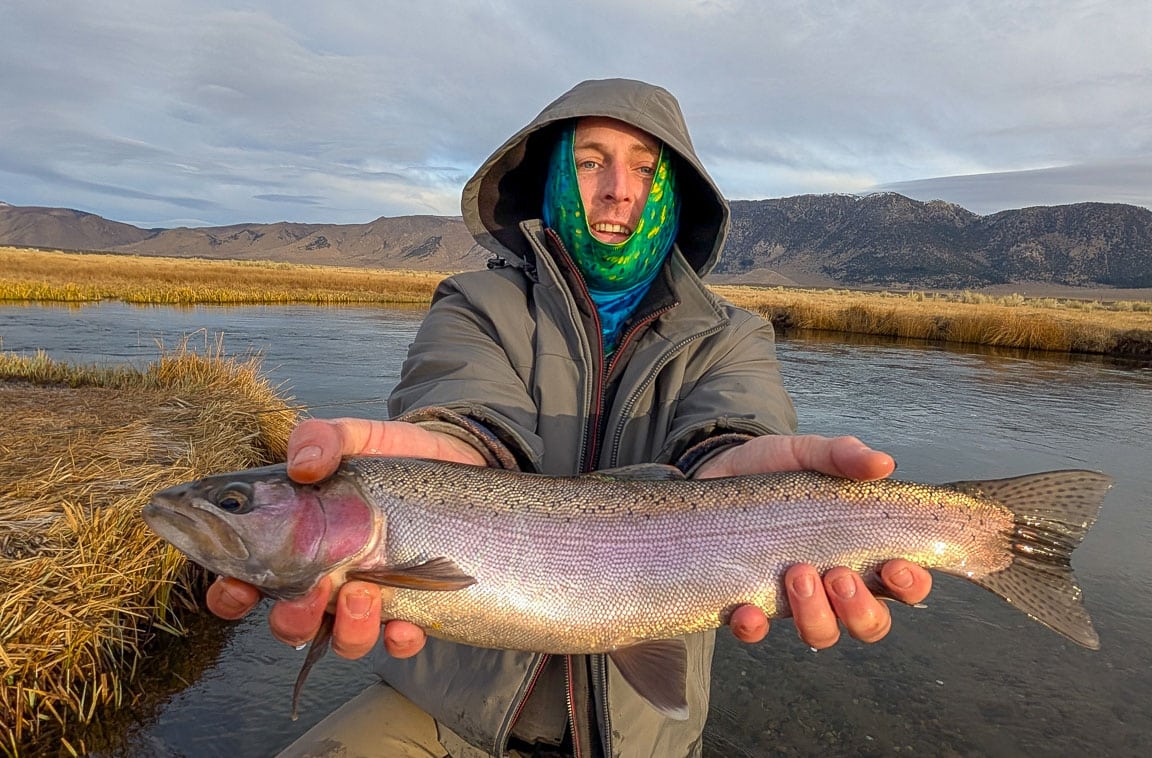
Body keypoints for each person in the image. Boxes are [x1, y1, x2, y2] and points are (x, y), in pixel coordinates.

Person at [207, 78, 933, 757]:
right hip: (447, 709)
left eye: (646, 169)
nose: (618, 190)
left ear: (674, 192)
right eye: (590, 163)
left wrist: (728, 467)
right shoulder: (474, 304)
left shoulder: (733, 336)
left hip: (645, 737)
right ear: (553, 179)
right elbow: (467, 418)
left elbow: (733, 434)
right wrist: (450, 451)